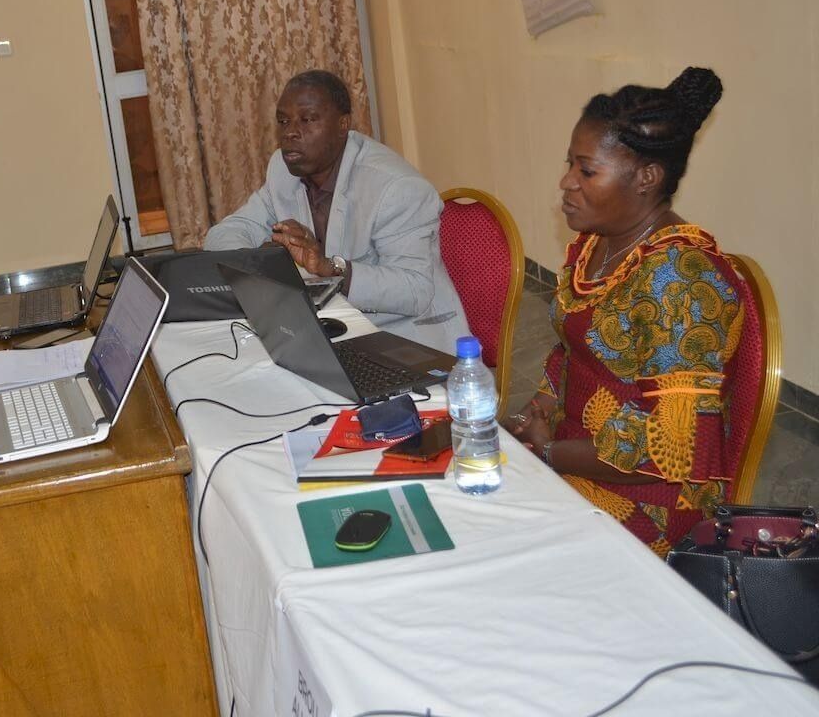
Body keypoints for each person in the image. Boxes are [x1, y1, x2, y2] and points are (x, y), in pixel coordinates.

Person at [506, 67, 739, 556]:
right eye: (570, 165)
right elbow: (572, 349)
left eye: (587, 171)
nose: (566, 182)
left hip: (650, 500)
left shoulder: (682, 280)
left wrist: (548, 452)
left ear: (646, 178)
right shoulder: (597, 243)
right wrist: (536, 414)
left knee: (506, 546)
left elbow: (668, 449)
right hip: (574, 452)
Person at [204, 70, 468, 353]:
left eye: (307, 120)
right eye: (283, 121)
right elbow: (227, 232)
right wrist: (258, 263)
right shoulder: (283, 169)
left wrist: (331, 268)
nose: (290, 132)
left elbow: (414, 291)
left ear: (343, 125)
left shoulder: (395, 188)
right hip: (332, 332)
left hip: (406, 341)